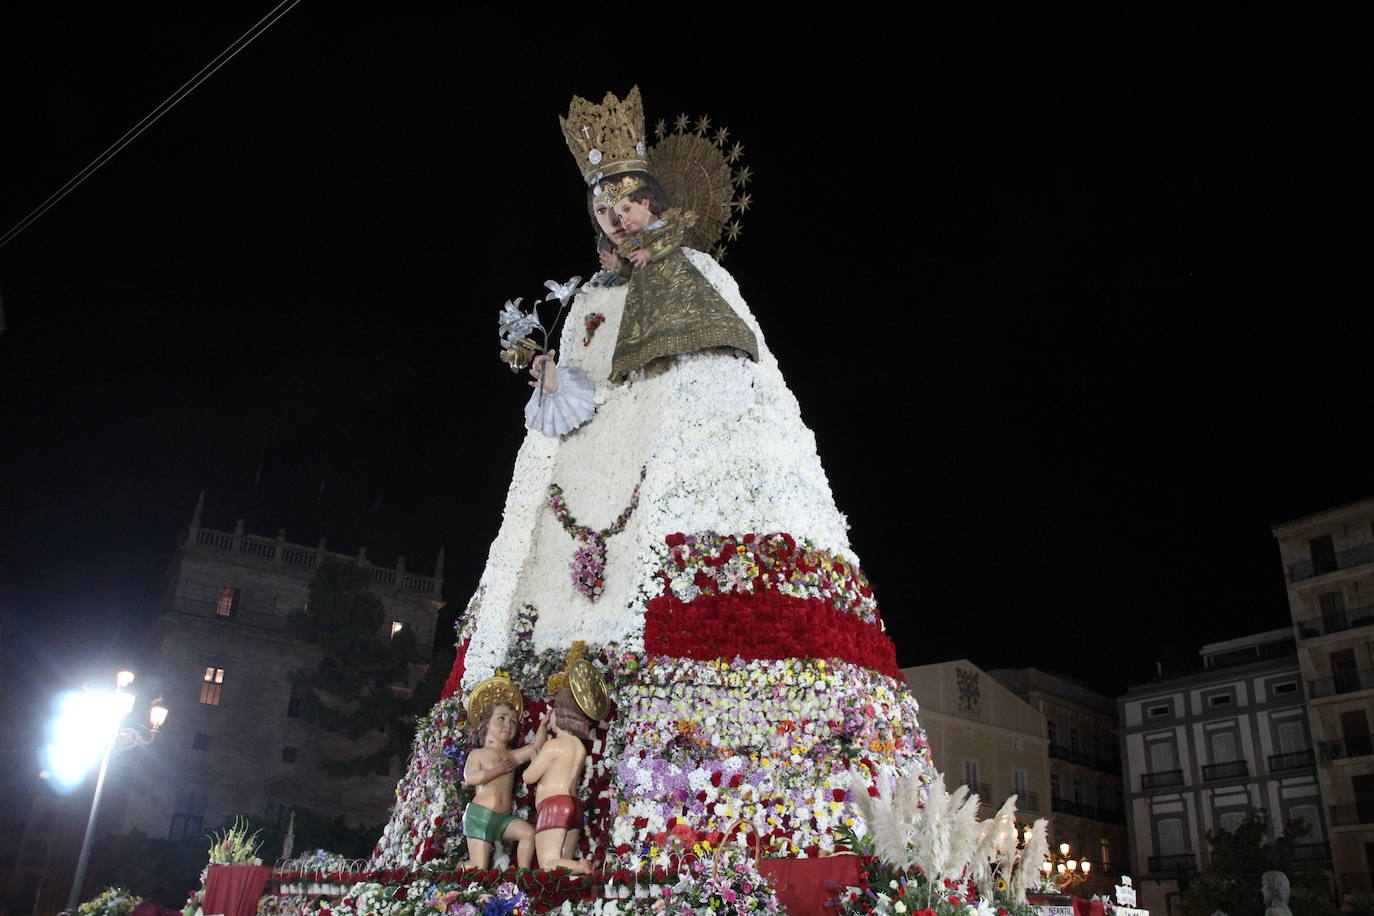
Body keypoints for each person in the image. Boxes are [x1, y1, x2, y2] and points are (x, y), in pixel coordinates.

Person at [459, 697, 547, 869]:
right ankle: (459, 869)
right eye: (502, 718)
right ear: (487, 724)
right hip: (480, 817)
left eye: (513, 722)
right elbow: (470, 778)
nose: (508, 725)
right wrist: (496, 770)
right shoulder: (479, 754)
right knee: (479, 867)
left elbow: (537, 748)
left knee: (528, 834)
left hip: (503, 819)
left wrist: (543, 726)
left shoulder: (512, 756)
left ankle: (522, 875)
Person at [522, 688, 595, 873]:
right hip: (574, 805)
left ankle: (582, 866)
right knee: (563, 864)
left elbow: (528, 777)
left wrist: (535, 759)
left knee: (549, 864)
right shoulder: (579, 747)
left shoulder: (554, 746)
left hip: (554, 805)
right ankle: (574, 888)